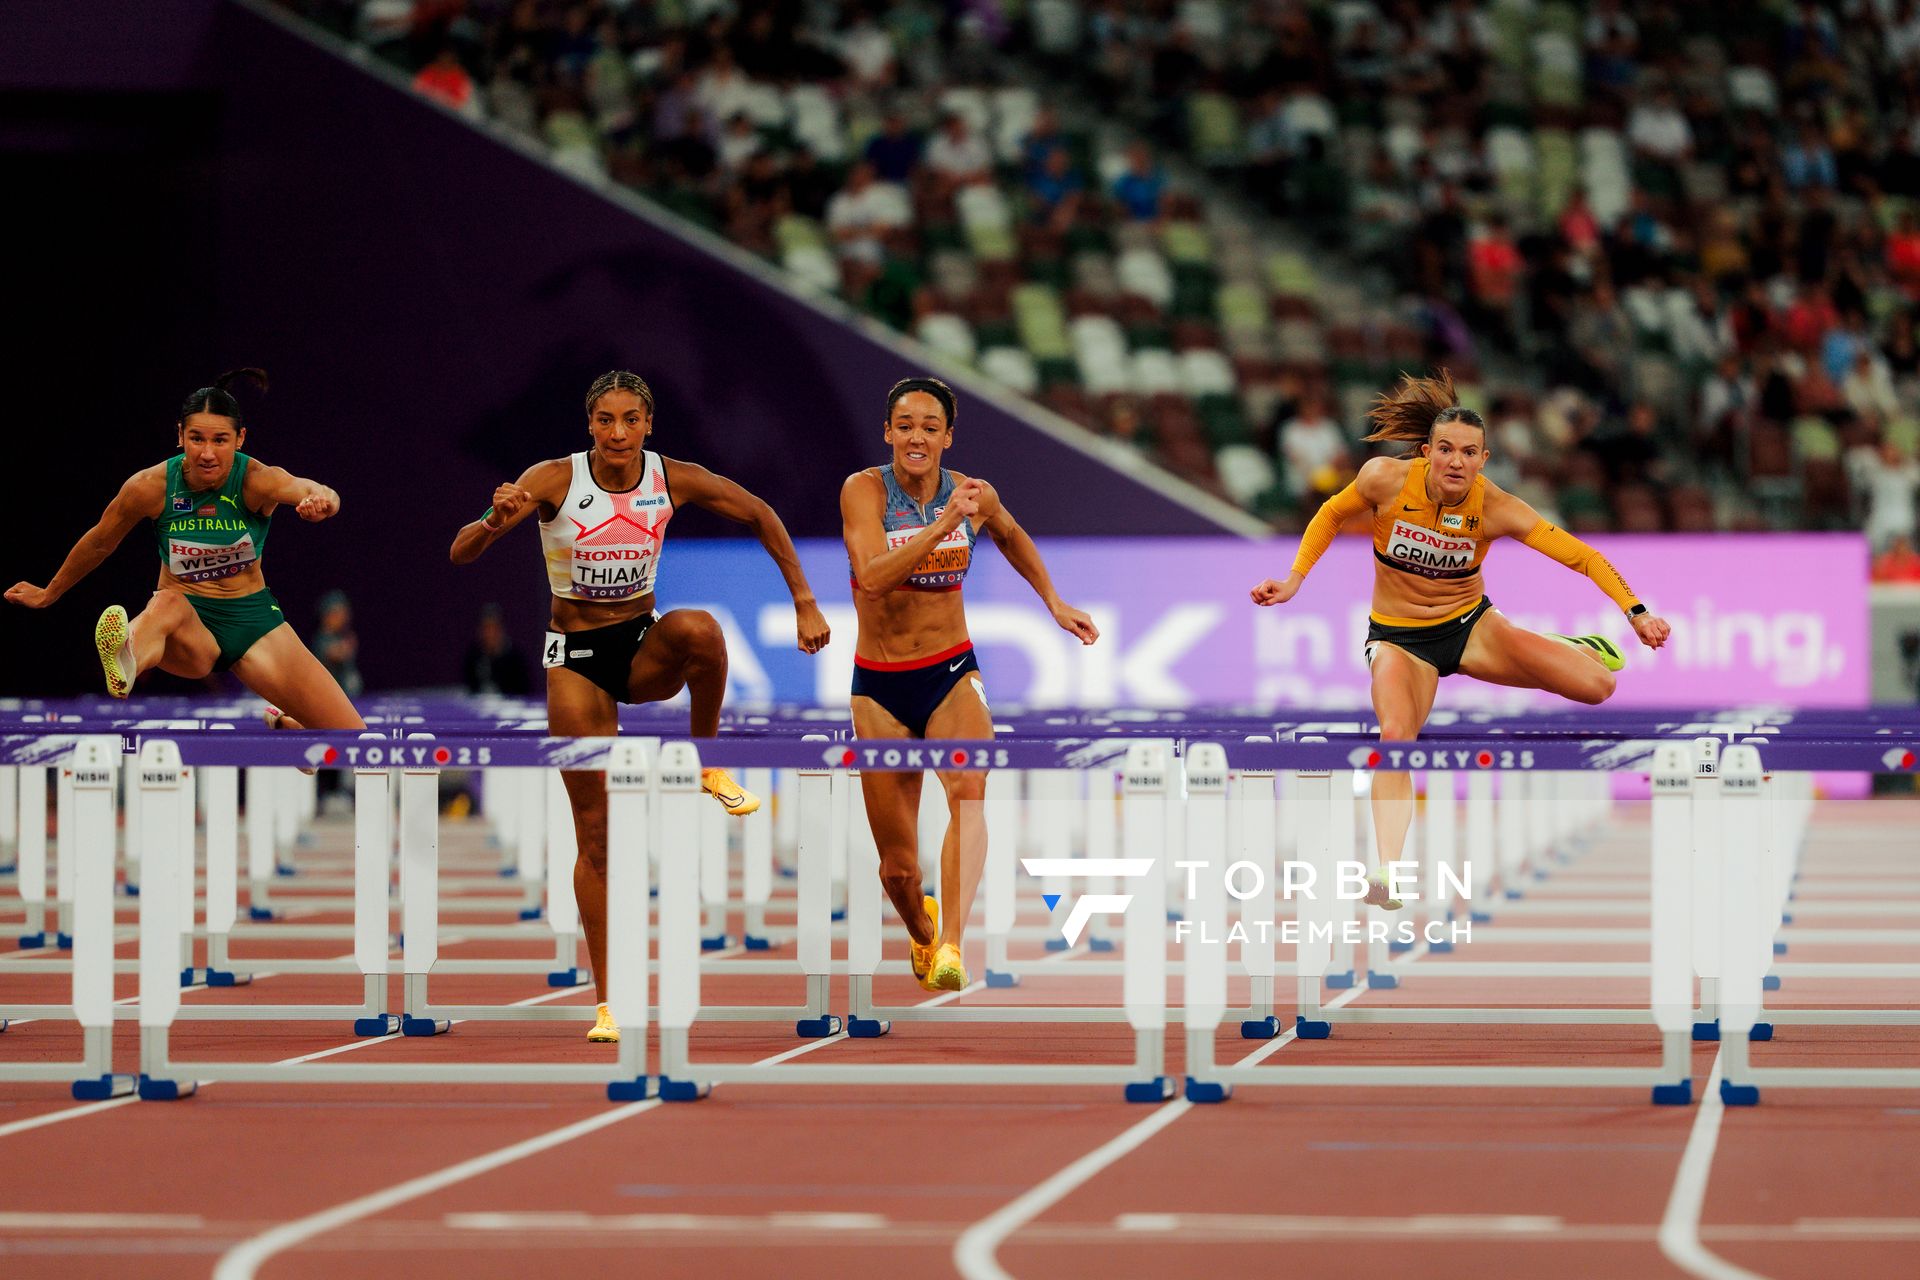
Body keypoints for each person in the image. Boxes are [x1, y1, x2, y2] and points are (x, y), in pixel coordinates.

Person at [450, 370, 829, 1043]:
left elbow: (761, 513)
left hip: (642, 647)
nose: (618, 433)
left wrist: (803, 598)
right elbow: (462, 551)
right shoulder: (553, 480)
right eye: (604, 420)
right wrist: (494, 519)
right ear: (588, 425)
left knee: (702, 632)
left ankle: (707, 762)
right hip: (576, 661)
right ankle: (609, 1000)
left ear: (649, 423)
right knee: (595, 835)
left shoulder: (671, 476)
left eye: (630, 419)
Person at [1250, 371, 1670, 908]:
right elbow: (1332, 512)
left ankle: (1575, 647)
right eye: (1445, 449)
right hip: (1400, 640)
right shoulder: (1384, 478)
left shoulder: (1496, 506)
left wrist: (1635, 611)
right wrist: (1293, 581)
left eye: (1468, 452)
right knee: (1395, 735)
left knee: (1598, 687)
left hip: (1473, 629)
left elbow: (1582, 556)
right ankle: (1387, 871)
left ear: (1484, 459)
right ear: (1426, 452)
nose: (1456, 462)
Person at [841, 377, 1098, 991]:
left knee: (969, 786)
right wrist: (943, 525)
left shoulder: (973, 494)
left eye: (930, 427)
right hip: (879, 686)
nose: (916, 437)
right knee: (898, 869)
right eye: (905, 425)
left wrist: (1054, 602)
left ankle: (954, 942)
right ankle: (924, 928)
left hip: (952, 669)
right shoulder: (864, 491)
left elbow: (1008, 533)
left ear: (947, 437)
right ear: (888, 433)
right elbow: (873, 578)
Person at [5, 369, 365, 738]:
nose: (207, 453)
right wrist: (50, 592)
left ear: (240, 439)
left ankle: (291, 726)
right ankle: (125, 657)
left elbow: (308, 487)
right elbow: (100, 541)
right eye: (196, 438)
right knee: (166, 604)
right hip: (189, 628)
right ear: (180, 435)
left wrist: (324, 501)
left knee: (358, 738)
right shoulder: (151, 487)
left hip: (254, 624)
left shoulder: (256, 479)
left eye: (220, 440)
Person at [462, 603, 531, 695]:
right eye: (487, 629)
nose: (490, 634)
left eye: (494, 629)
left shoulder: (514, 658)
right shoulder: (473, 655)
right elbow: (469, 687)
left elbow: (524, 689)